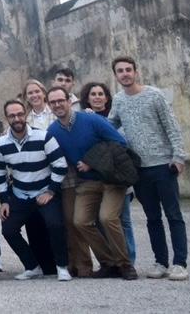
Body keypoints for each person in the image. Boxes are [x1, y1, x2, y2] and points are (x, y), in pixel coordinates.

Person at [109, 56, 189, 280]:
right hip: (139, 170)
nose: (124, 74)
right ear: (115, 76)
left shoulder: (154, 95)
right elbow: (110, 125)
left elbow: (171, 126)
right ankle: (161, 262)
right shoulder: (118, 100)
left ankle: (180, 263)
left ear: (136, 72)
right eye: (120, 71)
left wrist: (179, 157)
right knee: (152, 217)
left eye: (128, 70)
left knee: (173, 215)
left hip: (164, 165)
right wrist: (88, 119)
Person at [45, 86, 137, 280]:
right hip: (86, 183)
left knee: (107, 218)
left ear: (69, 101)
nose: (57, 105)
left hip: (111, 179)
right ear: (49, 105)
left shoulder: (92, 119)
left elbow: (119, 143)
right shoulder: (53, 131)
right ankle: (108, 262)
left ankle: (125, 264)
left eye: (60, 100)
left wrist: (91, 161)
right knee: (80, 221)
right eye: (53, 102)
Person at [0, 99, 70, 281]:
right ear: (7, 118)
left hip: (45, 192)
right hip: (20, 195)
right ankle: (32, 266)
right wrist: (4, 200)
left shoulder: (44, 137)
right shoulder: (1, 144)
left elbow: (60, 166)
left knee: (55, 225)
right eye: (12, 115)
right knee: (8, 230)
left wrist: (50, 191)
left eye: (19, 114)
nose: (17, 118)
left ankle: (62, 266)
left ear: (25, 114)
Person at [80, 80, 137, 264]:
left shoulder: (116, 117)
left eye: (100, 94)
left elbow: (120, 143)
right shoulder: (82, 120)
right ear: (87, 99)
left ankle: (129, 259)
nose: (97, 97)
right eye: (93, 94)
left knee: (124, 220)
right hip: (97, 178)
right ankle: (113, 260)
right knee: (102, 220)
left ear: (107, 97)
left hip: (118, 174)